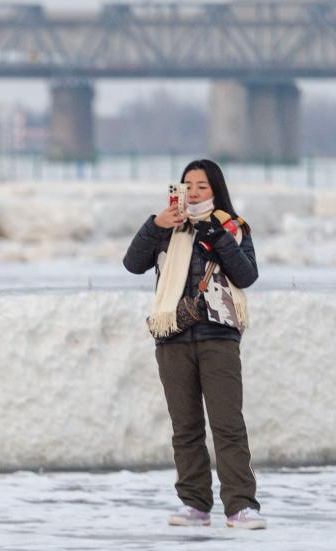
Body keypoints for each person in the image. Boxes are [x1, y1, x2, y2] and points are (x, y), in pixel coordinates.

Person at [123, 159, 266, 530]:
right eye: (188, 185)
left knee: (228, 425)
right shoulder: (166, 228)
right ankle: (194, 504)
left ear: (216, 189)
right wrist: (155, 225)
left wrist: (215, 234)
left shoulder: (231, 227)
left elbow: (246, 275)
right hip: (173, 335)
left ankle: (241, 506)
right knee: (185, 427)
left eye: (202, 185)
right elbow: (132, 263)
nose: (194, 192)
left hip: (218, 334)